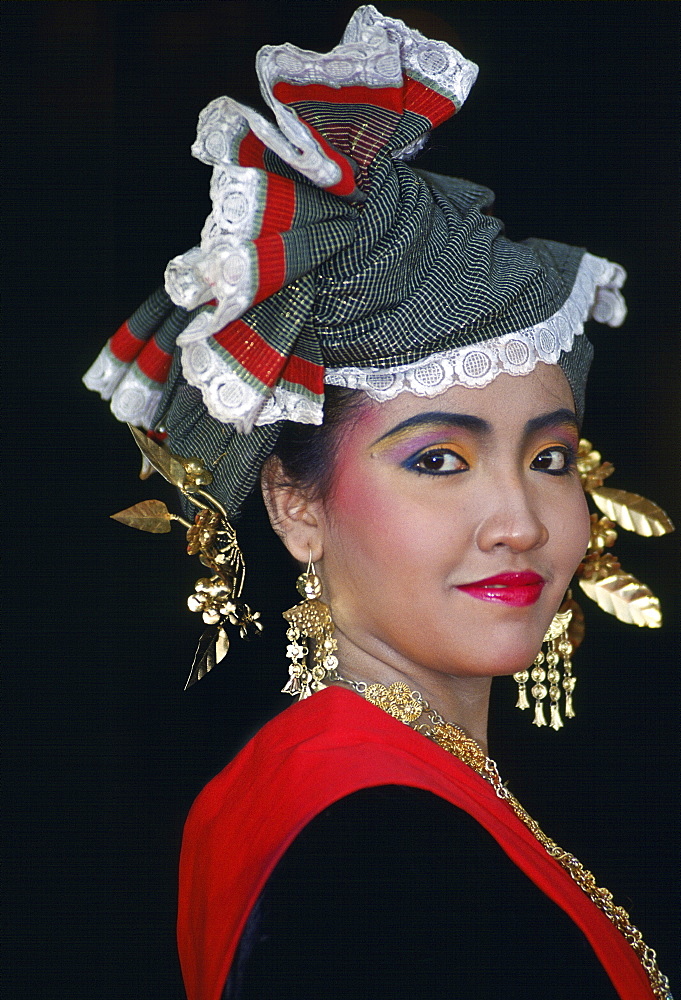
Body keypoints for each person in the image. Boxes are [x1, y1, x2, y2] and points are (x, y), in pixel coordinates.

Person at [83, 6, 674, 999]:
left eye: (552, 458)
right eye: (440, 460)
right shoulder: (379, 849)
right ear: (295, 506)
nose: (519, 521)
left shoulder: (318, 783)